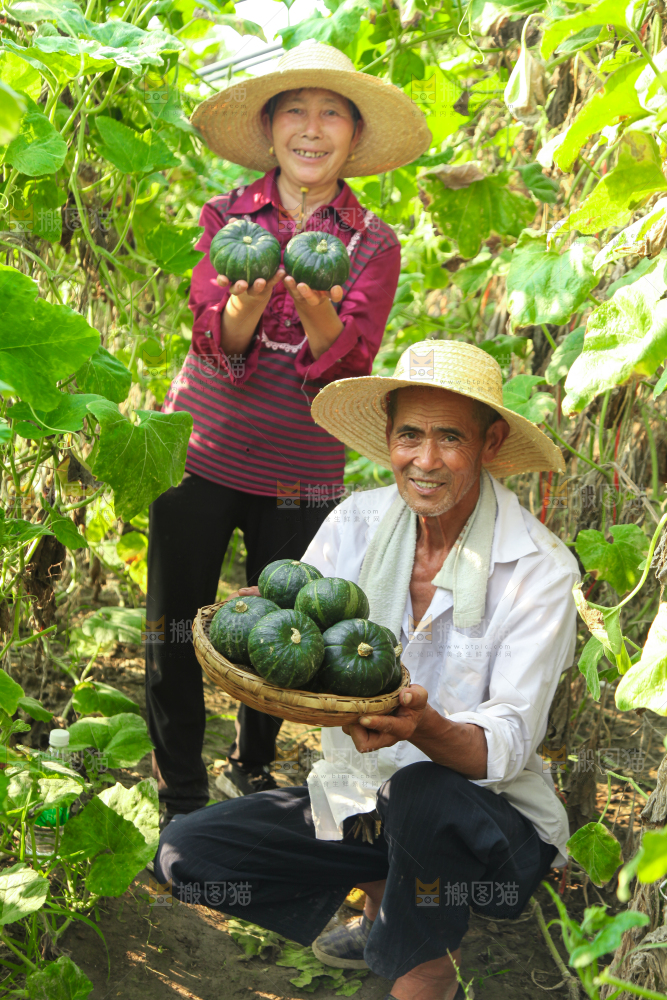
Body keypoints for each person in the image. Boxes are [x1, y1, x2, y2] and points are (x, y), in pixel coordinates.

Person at [155, 339, 578, 1000]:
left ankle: (424, 965)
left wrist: (420, 726)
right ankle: (385, 908)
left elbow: (505, 744)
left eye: (449, 438)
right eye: (408, 435)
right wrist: (259, 622)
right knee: (188, 852)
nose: (424, 460)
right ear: (386, 438)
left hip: (490, 825)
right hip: (360, 800)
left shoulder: (538, 569)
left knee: (423, 793)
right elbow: (312, 632)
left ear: (491, 443)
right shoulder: (356, 519)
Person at [145, 41, 431, 819]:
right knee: (173, 625)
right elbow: (215, 342)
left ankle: (250, 764)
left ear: (352, 134)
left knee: (289, 631)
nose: (311, 130)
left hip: (303, 468)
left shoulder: (372, 243)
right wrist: (243, 304)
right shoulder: (224, 218)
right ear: (270, 129)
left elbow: (349, 365)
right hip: (200, 452)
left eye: (329, 114)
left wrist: (312, 305)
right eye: (294, 113)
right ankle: (181, 787)